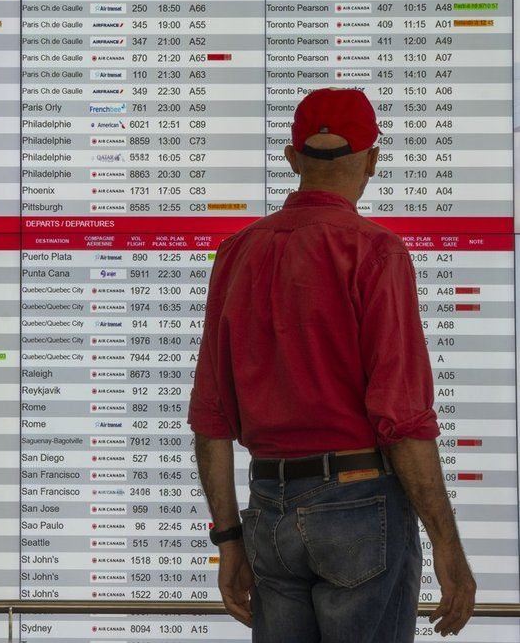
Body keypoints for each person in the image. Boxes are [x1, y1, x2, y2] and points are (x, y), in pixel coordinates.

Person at [187, 88, 476, 641]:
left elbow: (210, 418)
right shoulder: (376, 252)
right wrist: (448, 548)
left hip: (268, 511)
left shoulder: (236, 253)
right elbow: (403, 419)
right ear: (372, 159)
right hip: (360, 505)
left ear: (292, 158)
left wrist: (228, 540)